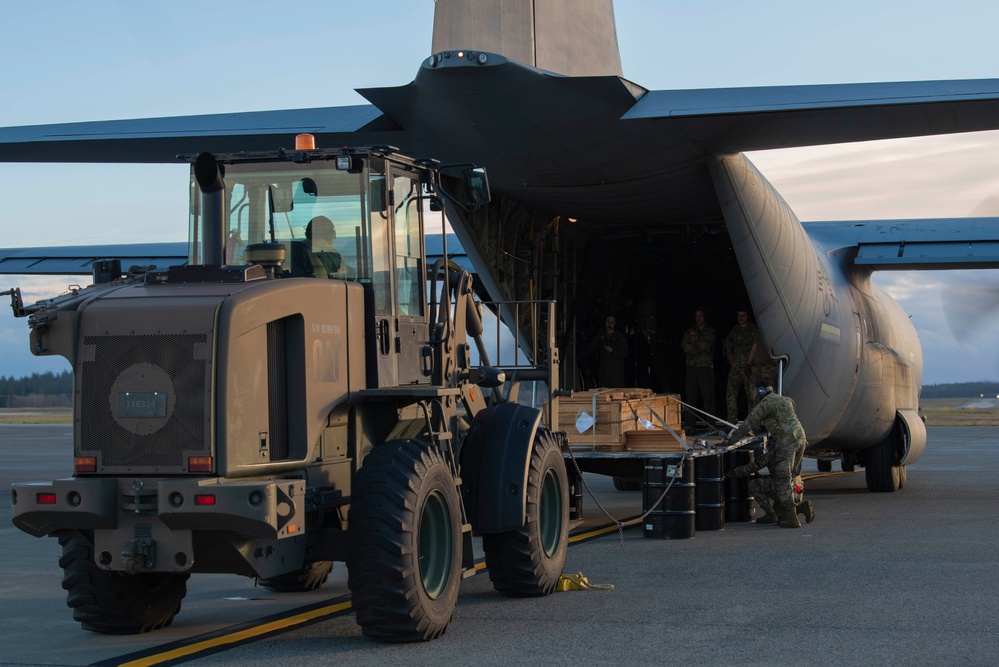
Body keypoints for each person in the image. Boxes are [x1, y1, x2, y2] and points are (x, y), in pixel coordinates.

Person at [724, 380, 813, 528]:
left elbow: (746, 426)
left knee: (783, 479)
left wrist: (729, 443)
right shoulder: (786, 400)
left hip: (786, 442)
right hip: (801, 438)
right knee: (793, 475)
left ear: (758, 393)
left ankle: (792, 518)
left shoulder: (764, 405)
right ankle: (796, 507)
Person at [681, 307, 717, 421]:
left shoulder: (711, 332)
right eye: (696, 316)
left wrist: (694, 346)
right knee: (690, 397)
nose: (698, 318)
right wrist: (699, 347)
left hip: (705, 367)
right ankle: (690, 423)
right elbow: (685, 347)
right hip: (692, 367)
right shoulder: (689, 332)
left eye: (700, 316)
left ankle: (711, 423)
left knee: (708, 397)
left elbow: (708, 345)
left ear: (704, 317)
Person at [723, 308, 758, 422]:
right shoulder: (735, 330)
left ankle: (751, 424)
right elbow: (727, 342)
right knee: (730, 394)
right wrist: (729, 355)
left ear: (747, 316)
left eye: (743, 315)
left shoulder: (753, 329)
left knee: (752, 396)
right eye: (739, 316)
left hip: (749, 367)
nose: (741, 318)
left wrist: (749, 363)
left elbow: (756, 346)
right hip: (736, 367)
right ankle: (731, 421)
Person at [584, 314, 629, 388]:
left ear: (615, 323)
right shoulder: (601, 336)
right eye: (608, 321)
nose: (609, 324)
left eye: (612, 322)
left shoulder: (620, 336)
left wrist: (613, 351)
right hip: (604, 371)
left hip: (616, 372)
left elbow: (626, 353)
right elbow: (590, 348)